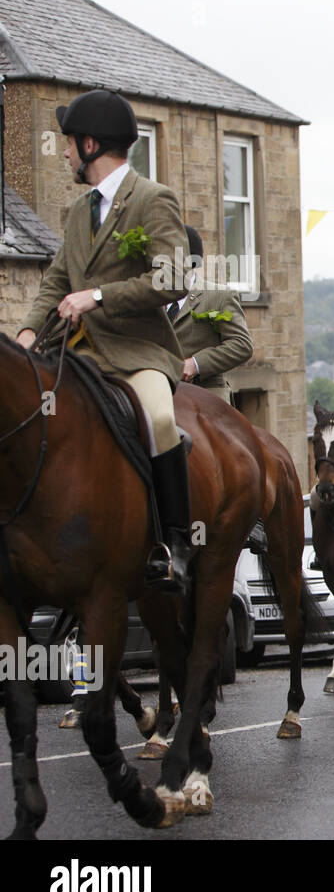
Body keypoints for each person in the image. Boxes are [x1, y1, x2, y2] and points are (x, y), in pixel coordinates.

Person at [17, 89, 192, 592]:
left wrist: (97, 295)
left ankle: (175, 545)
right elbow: (55, 280)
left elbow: (175, 276)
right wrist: (29, 330)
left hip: (137, 351)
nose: (65, 152)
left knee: (160, 418)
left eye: (70, 143)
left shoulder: (152, 199)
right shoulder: (77, 213)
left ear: (91, 144)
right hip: (76, 351)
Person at [170, 225, 253, 403]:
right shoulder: (151, 300)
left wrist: (197, 363)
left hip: (205, 393)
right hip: (161, 392)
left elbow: (242, 345)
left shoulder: (220, 296)